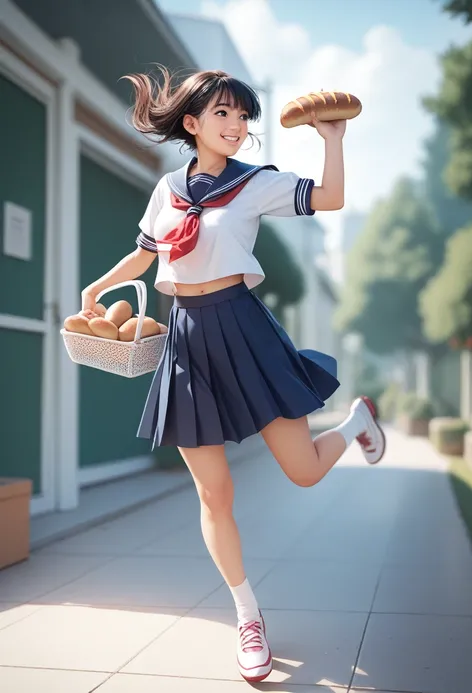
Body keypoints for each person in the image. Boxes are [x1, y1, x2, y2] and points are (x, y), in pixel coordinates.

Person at [81, 67, 385, 683]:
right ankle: (248, 616)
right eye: (224, 113)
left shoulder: (257, 184)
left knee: (301, 472)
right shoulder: (167, 187)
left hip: (244, 330)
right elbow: (147, 250)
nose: (239, 126)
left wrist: (333, 140)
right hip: (187, 339)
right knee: (213, 494)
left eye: (245, 117)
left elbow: (328, 198)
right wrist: (102, 284)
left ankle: (354, 421)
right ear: (192, 123)